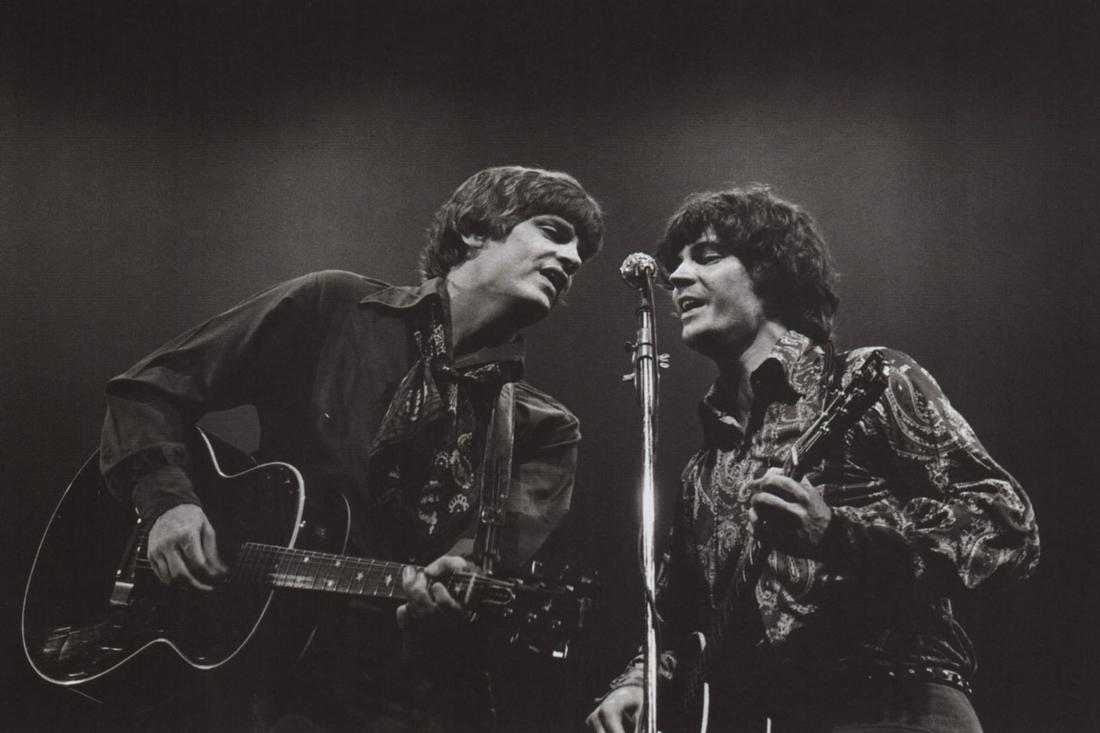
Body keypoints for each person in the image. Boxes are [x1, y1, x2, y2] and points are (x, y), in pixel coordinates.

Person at [98, 165, 604, 732]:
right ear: (474, 229)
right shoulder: (333, 306)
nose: (573, 259)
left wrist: (449, 588)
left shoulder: (545, 428)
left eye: (582, 252)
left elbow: (481, 565)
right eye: (555, 232)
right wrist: (168, 503)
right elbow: (146, 393)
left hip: (400, 688)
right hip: (253, 659)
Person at [586, 185, 1039, 733]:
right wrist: (638, 682)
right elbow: (678, 617)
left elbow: (1006, 525)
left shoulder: (868, 380)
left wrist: (838, 536)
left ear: (772, 274)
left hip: (898, 705)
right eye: (674, 265)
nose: (676, 277)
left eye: (705, 257)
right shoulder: (702, 474)